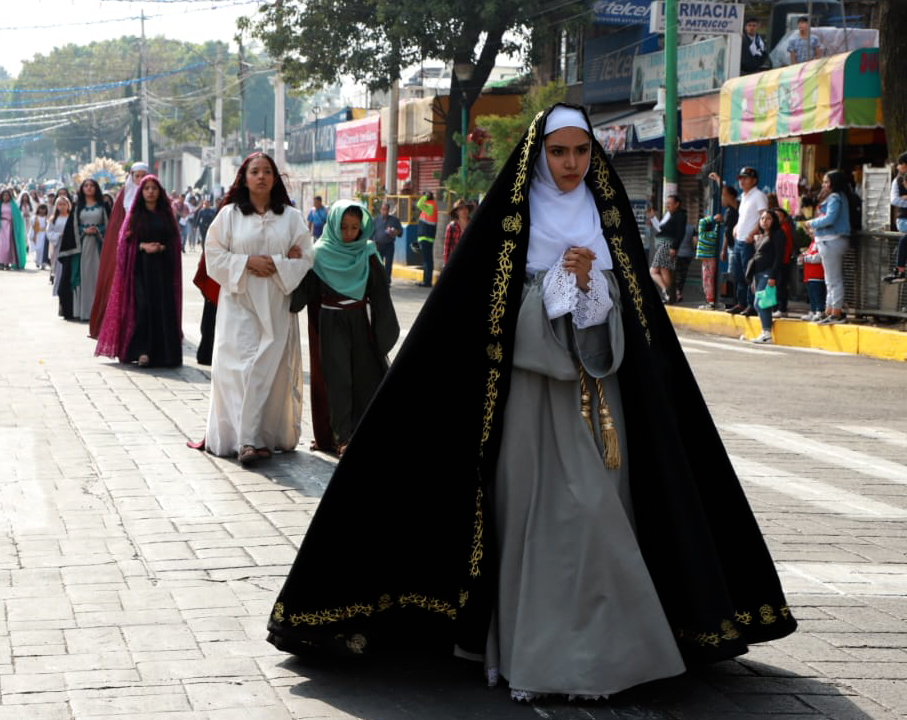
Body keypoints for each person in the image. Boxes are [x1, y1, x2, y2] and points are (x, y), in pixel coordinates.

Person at [264, 104, 796, 701]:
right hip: (527, 399)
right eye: (558, 152)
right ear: (538, 155)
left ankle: (609, 651)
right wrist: (557, 287)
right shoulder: (510, 225)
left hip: (603, 393)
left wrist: (592, 288)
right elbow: (485, 322)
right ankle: (540, 653)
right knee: (540, 521)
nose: (570, 165)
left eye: (581, 152)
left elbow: (631, 318)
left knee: (600, 515)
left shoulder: (605, 217)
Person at [191, 153, 313, 466]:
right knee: (236, 370)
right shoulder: (229, 216)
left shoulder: (291, 218)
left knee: (266, 372)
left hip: (274, 304)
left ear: (275, 178)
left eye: (267, 172)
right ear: (244, 178)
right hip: (238, 302)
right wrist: (247, 262)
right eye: (255, 172)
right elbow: (214, 255)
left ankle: (257, 438)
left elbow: (305, 257)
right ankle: (242, 440)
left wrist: (278, 263)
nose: (261, 177)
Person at [290, 200, 398, 456]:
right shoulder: (320, 254)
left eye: (354, 228)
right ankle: (342, 437)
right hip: (331, 323)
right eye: (344, 228)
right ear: (334, 226)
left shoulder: (368, 252)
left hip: (361, 321)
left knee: (365, 376)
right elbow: (303, 294)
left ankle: (362, 431)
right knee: (338, 380)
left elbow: (380, 293)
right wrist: (295, 263)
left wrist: (383, 333)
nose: (349, 234)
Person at [95, 175, 184, 367]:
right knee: (143, 308)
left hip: (162, 270)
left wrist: (161, 248)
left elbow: (174, 243)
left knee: (162, 308)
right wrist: (142, 246)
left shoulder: (166, 216)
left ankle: (163, 353)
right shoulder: (134, 216)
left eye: (154, 188)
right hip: (139, 270)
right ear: (140, 192)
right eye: (146, 188)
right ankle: (141, 350)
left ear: (160, 192)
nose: (150, 191)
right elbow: (123, 244)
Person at [89, 163, 149, 338]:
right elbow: (117, 225)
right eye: (137, 176)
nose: (140, 180)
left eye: (143, 175)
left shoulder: (154, 193)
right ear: (131, 177)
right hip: (128, 247)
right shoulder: (125, 196)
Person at [801, 170, 852, 324]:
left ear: (834, 183)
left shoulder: (835, 197)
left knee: (834, 279)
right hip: (828, 241)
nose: (823, 185)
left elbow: (830, 218)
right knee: (830, 279)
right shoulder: (834, 197)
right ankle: (829, 310)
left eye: (826, 182)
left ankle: (835, 312)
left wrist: (810, 223)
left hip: (833, 240)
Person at [715, 168, 768, 314]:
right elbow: (743, 216)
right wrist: (737, 227)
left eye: (745, 178)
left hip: (748, 241)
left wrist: (753, 232)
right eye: (740, 178)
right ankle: (741, 303)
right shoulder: (744, 196)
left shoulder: (759, 196)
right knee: (738, 275)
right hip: (738, 240)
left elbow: (764, 218)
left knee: (749, 275)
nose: (742, 181)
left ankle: (752, 305)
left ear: (754, 180)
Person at [57, 179, 108, 320]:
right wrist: (84, 230)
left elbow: (109, 226)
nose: (89, 188)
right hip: (82, 247)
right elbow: (72, 228)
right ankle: (84, 311)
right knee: (82, 276)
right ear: (82, 189)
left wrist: (97, 230)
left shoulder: (103, 206)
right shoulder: (77, 207)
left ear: (96, 188)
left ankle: (100, 312)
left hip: (99, 246)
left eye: (92, 186)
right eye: (86, 186)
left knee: (98, 276)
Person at [744, 209, 783, 343]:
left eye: (768, 219)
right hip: (758, 273)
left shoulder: (777, 234)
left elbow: (779, 257)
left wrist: (773, 276)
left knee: (761, 303)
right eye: (762, 219)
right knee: (759, 303)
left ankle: (766, 333)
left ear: (774, 221)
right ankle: (764, 332)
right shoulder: (762, 235)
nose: (764, 221)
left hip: (768, 273)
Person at [645, 195, 686, 304]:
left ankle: (666, 292)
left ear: (677, 204)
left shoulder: (679, 216)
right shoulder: (669, 215)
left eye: (669, 203)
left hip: (667, 245)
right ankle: (668, 297)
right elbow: (660, 229)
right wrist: (653, 217)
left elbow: (680, 233)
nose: (667, 205)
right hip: (663, 245)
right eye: (666, 203)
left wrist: (674, 247)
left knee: (653, 271)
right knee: (664, 270)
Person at [0, 188, 27, 271]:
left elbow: (17, 217)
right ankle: (0, 262)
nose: (6, 197)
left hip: (10, 228)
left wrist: (14, 224)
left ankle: (7, 262)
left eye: (7, 195)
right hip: (0, 227)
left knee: (9, 246)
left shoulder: (13, 205)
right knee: (1, 245)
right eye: (4, 195)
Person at [883, 153, 907, 284]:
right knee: (904, 240)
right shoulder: (897, 181)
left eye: (900, 164)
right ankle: (899, 269)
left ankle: (900, 269)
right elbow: (894, 200)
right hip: (904, 219)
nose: (898, 167)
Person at [694, 211, 722, 308]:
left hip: (706, 260)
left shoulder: (702, 234)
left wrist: (712, 218)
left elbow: (701, 222)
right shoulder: (713, 235)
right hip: (711, 259)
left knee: (707, 280)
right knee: (709, 279)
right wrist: (717, 222)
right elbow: (718, 228)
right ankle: (710, 300)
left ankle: (710, 301)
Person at [372, 201, 403, 278]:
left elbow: (400, 233)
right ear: (380, 210)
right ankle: (379, 281)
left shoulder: (394, 220)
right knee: (379, 265)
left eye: (386, 210)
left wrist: (394, 232)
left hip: (389, 245)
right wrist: (372, 242)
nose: (385, 211)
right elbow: (371, 233)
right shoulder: (375, 220)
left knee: (388, 264)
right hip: (378, 245)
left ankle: (387, 281)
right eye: (383, 209)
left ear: (389, 210)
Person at [414, 190, 438, 287]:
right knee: (427, 260)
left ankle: (427, 281)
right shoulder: (430, 206)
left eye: (423, 196)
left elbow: (418, 204)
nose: (421, 197)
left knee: (427, 260)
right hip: (426, 237)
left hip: (426, 238)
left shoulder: (430, 207)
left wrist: (424, 196)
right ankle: (426, 280)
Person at [442, 200, 472, 267]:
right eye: (461, 208)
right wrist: (446, 265)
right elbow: (446, 248)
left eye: (465, 208)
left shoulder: (473, 224)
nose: (464, 210)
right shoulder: (451, 227)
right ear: (456, 212)